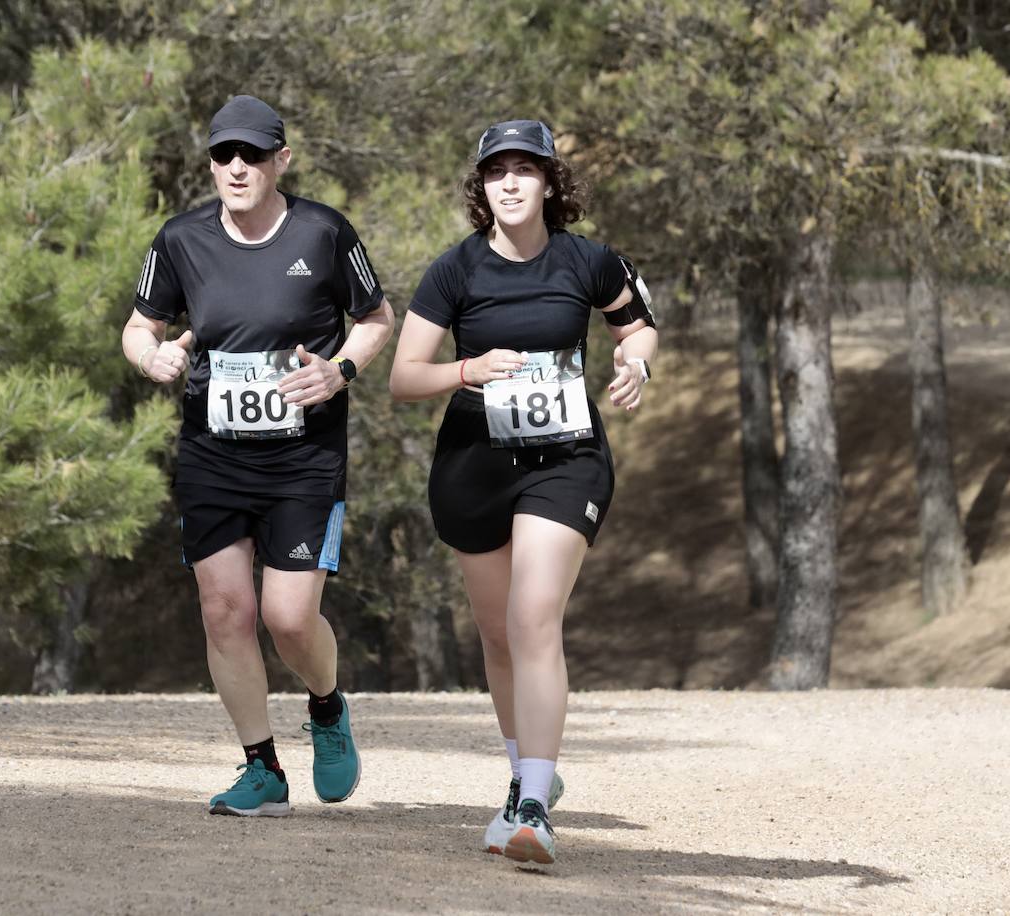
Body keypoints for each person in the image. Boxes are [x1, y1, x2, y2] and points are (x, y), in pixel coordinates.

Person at [388, 119, 658, 865]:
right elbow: (405, 375)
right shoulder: (455, 270)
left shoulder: (590, 259)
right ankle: (522, 778)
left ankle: (534, 803)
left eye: (525, 169)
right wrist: (465, 371)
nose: (509, 183)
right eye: (496, 171)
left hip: (564, 461)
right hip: (473, 464)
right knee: (500, 633)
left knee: (534, 616)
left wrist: (636, 363)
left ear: (549, 181)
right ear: (481, 186)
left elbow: (637, 327)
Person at [121, 95, 394, 816]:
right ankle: (261, 767)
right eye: (223, 155)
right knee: (224, 610)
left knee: (289, 618)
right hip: (213, 451)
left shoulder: (323, 230)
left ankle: (328, 708)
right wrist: (149, 356)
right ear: (210, 162)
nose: (236, 168)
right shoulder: (181, 239)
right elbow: (140, 324)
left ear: (282, 160)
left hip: (304, 455)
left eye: (251, 155)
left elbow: (376, 319)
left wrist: (341, 371)